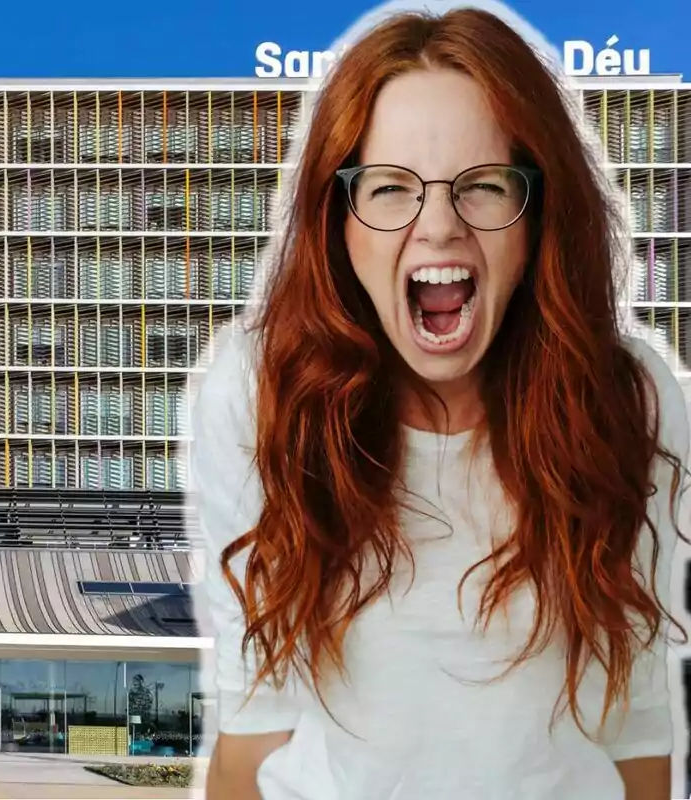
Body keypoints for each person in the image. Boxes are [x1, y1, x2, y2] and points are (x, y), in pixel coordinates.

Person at [190, 7, 688, 800]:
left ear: (537, 222)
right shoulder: (259, 397)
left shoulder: (629, 402)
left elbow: (637, 726)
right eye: (390, 189)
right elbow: (255, 723)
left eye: (484, 187)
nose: (439, 227)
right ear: (337, 223)